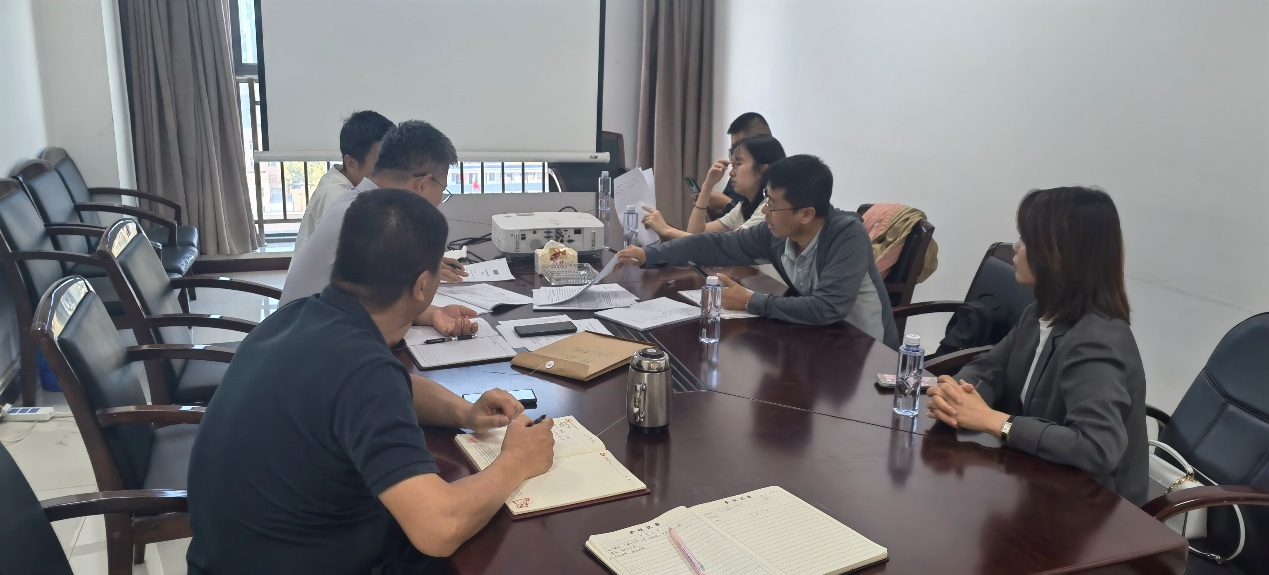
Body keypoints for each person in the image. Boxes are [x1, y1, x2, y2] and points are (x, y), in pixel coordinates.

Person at [187, 189, 556, 574]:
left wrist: (464, 411)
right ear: (422, 286)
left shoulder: (295, 319)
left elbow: (395, 388)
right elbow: (439, 527)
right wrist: (516, 461)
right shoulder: (364, 371)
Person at [925, 186, 1147, 505]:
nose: (1016, 247)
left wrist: (994, 421)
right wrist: (958, 396)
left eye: (1026, 239)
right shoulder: (1042, 310)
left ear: (1060, 252)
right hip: (1036, 476)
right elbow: (991, 366)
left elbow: (1097, 448)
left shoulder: (1097, 340)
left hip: (1093, 509)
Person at [616, 155, 899, 348]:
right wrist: (650, 255)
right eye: (767, 201)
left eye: (773, 205)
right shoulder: (775, 233)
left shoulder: (846, 236)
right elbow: (715, 245)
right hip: (817, 337)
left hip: (867, 351)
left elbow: (827, 308)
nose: (765, 212)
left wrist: (751, 301)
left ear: (806, 214)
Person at [282, 120, 477, 336]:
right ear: (423, 183)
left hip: (301, 331)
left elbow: (381, 304)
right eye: (442, 189)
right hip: (311, 343)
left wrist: (433, 314)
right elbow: (381, 323)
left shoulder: (359, 203)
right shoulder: (370, 219)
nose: (439, 200)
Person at [642, 134, 785, 240]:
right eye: (732, 165)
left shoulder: (768, 208)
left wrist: (666, 230)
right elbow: (696, 232)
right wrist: (707, 185)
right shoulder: (742, 207)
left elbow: (724, 245)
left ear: (763, 170)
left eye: (738, 164)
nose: (731, 173)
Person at [294, 110, 394, 252]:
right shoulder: (335, 197)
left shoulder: (353, 184)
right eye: (381, 163)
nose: (391, 171)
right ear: (351, 164)